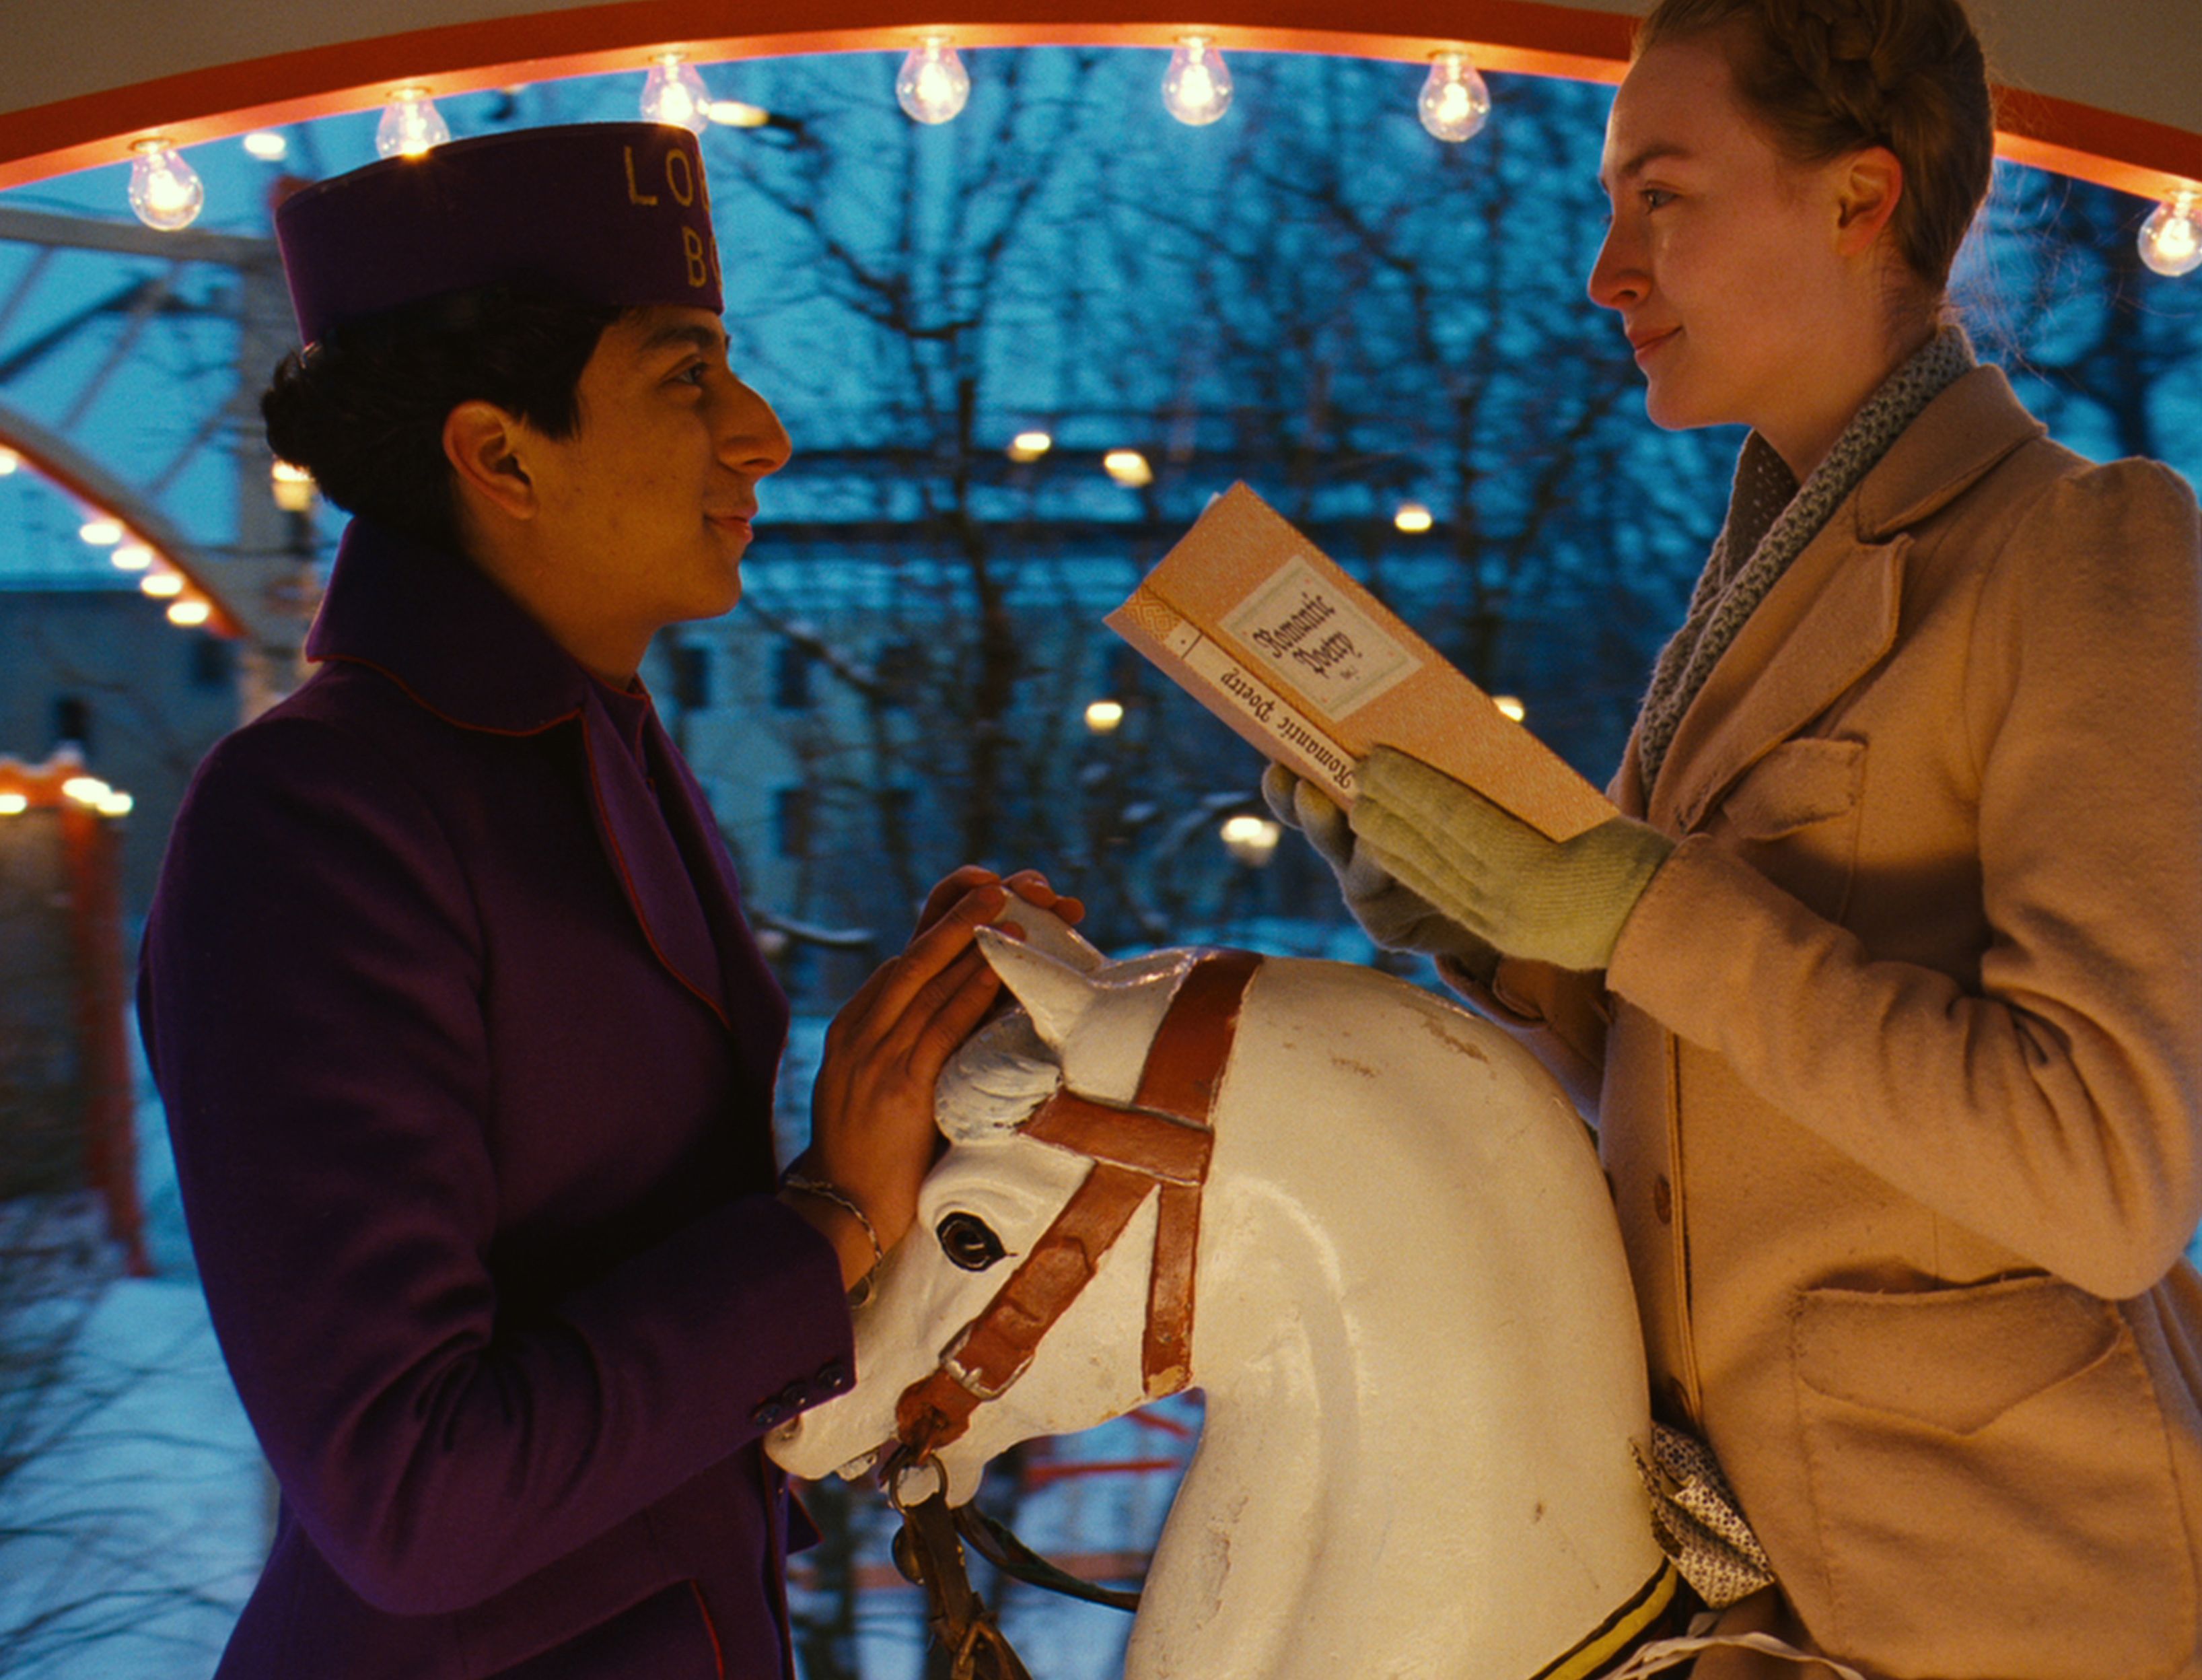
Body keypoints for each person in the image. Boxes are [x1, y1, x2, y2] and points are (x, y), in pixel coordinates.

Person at [1269, 2, 2202, 1675]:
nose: (1605, 272)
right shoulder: (1756, 583)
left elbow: (2104, 1173)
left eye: (1662, 197)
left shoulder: (2080, 547)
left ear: (1861, 196)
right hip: (1724, 1586)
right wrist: (1499, 937)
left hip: (2000, 1598)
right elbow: (1722, 1092)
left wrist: (1639, 910)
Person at [139, 123, 1075, 1680]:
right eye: (687, 377)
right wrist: (827, 1214)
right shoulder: (312, 814)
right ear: (501, 455)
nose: (762, 432)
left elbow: (645, 1279)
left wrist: (924, 1082)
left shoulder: (589, 748)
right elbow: (414, 1500)